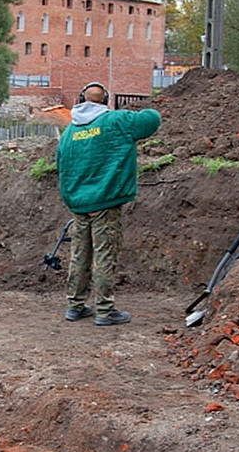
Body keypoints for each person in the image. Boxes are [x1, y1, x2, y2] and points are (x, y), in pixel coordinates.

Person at [55, 82, 161, 326]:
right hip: (105, 202)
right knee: (104, 254)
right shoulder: (116, 121)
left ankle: (75, 305)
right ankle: (104, 310)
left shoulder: (70, 132)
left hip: (79, 204)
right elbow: (152, 118)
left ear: (81, 100)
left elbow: (61, 166)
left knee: (80, 254)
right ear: (105, 102)